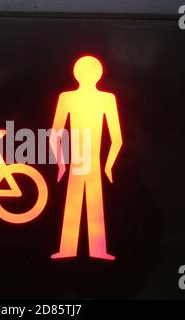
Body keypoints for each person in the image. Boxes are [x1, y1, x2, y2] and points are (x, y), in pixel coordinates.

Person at [50, 56, 123, 260]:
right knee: (88, 203)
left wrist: (61, 164)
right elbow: (117, 139)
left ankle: (74, 250)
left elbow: (54, 134)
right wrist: (108, 165)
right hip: (88, 160)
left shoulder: (69, 98)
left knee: (77, 204)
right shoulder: (104, 99)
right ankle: (94, 250)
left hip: (78, 160)